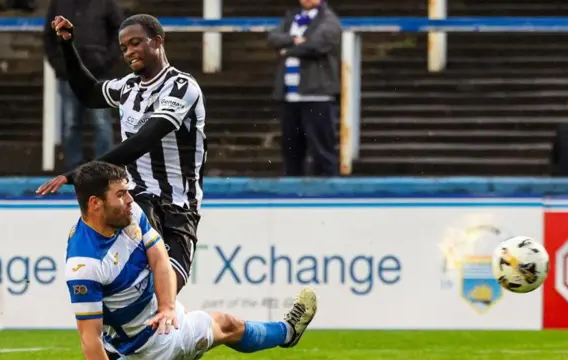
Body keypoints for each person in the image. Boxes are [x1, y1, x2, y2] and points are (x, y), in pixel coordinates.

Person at [66, 160, 318, 360]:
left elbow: (160, 258)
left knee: (223, 325)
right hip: (154, 346)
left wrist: (166, 306)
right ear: (95, 204)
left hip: (156, 320)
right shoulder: (85, 265)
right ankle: (287, 331)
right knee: (226, 325)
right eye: (120, 194)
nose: (130, 199)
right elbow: (90, 340)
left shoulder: (129, 214)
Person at [37, 14, 206, 295]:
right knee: (129, 285)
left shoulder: (181, 87)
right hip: (136, 199)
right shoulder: (128, 87)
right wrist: (67, 45)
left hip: (177, 205)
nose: (129, 52)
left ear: (158, 42)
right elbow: (89, 93)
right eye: (124, 47)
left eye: (136, 43)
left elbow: (144, 140)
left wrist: (79, 173)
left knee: (164, 292)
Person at [43, 0, 123, 170]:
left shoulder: (106, 3)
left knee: (101, 122)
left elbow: (119, 30)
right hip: (69, 73)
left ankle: (104, 168)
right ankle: (75, 168)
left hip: (98, 73)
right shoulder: (59, 4)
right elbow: (48, 36)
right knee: (71, 123)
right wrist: (60, 64)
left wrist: (106, 60)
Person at [267, 0, 341, 177]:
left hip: (317, 95)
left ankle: (329, 194)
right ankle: (292, 194)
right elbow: (273, 37)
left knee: (322, 150)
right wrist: (293, 39)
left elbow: (316, 45)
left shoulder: (329, 19)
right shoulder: (291, 17)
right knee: (291, 150)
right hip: (290, 95)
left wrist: (288, 50)